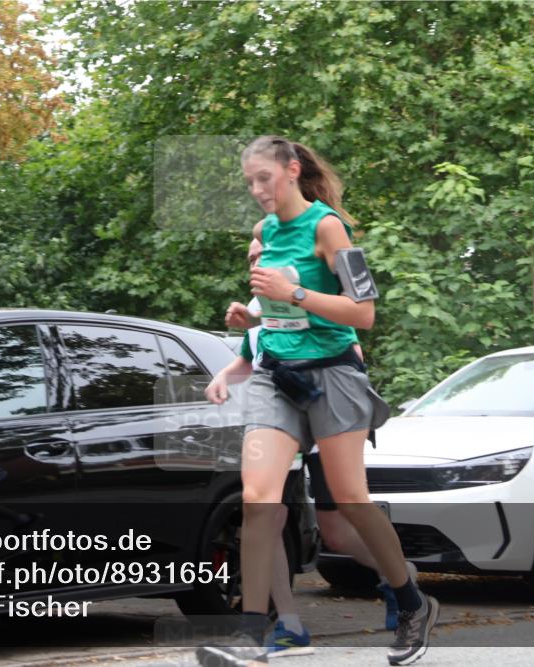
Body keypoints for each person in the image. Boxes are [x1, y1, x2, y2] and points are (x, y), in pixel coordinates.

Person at [196, 136, 439, 667]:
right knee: (260, 497)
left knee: (352, 499)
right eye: (250, 182)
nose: (258, 190)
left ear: (292, 169)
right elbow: (277, 308)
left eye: (265, 178)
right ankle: (250, 635)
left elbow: (364, 312)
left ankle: (410, 600)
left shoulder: (329, 227)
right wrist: (253, 316)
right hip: (276, 378)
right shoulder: (264, 233)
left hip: (334, 376)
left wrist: (294, 294)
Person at [221, 240, 417, 658]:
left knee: (338, 528)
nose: (258, 262)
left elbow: (352, 351)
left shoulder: (318, 296)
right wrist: (222, 379)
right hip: (280, 425)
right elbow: (243, 364)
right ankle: (287, 624)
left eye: (264, 255)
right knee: (264, 514)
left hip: (328, 415)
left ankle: (399, 576)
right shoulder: (258, 322)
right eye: (252, 258)